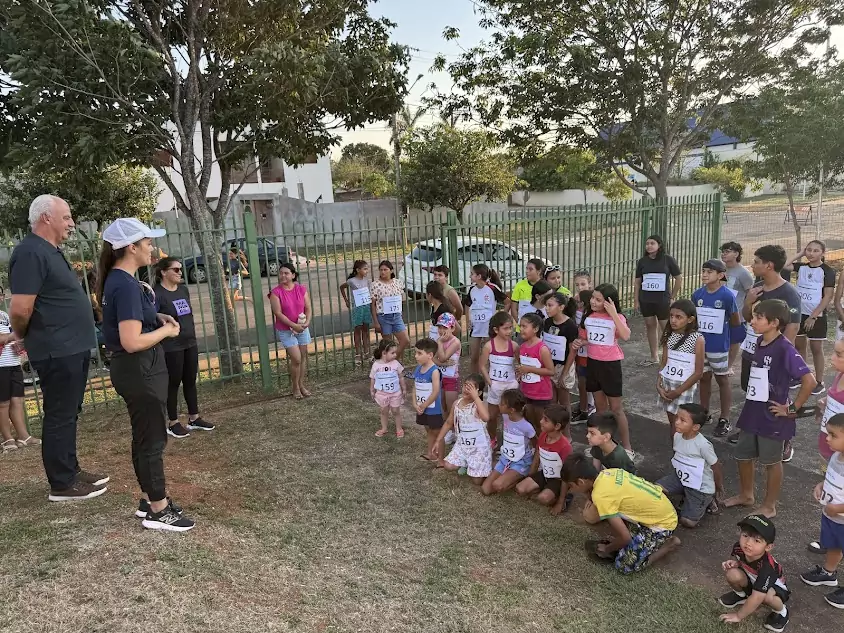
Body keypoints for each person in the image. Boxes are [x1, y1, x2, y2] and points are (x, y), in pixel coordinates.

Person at [99, 218, 195, 531]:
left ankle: (151, 498)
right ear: (132, 247)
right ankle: (159, 508)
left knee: (144, 436)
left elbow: (132, 319)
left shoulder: (121, 281)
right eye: (147, 242)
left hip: (137, 369)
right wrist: (166, 330)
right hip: (139, 368)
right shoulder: (125, 285)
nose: (151, 248)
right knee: (153, 438)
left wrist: (156, 316)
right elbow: (130, 340)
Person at [9, 195, 105, 501]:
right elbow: (21, 309)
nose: (71, 223)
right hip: (56, 348)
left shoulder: (50, 251)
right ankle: (62, 484)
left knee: (68, 412)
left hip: (71, 347)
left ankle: (71, 470)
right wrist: (22, 334)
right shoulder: (29, 253)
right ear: (45, 218)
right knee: (60, 414)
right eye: (66, 217)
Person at [724, 299, 815, 518]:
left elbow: (809, 381)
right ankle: (747, 495)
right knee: (743, 455)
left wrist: (791, 408)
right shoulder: (758, 341)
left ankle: (769, 505)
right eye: (753, 316)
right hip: (752, 411)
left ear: (774, 323)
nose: (752, 321)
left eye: (758, 318)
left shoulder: (785, 348)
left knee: (771, 462)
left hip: (773, 416)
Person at [562, 454, 680, 574]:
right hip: (662, 508)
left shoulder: (601, 496)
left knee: (623, 565)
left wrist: (607, 549)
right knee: (625, 538)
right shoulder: (608, 473)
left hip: (662, 525)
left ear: (581, 482)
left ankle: (668, 546)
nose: (570, 490)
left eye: (570, 486)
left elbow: (625, 538)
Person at [736, 245, 803, 459]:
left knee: (776, 397)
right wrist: (748, 301)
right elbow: (747, 317)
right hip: (753, 350)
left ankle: (783, 439)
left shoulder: (788, 293)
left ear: (769, 265)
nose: (753, 265)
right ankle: (753, 431)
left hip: (776, 357)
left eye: (756, 262)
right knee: (752, 389)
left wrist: (783, 357)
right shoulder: (757, 288)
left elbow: (793, 327)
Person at [153, 257, 214, 439]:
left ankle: (194, 418)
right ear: (164, 272)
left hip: (189, 341)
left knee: (190, 379)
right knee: (173, 382)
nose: (180, 273)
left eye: (180, 269)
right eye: (176, 270)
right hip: (172, 345)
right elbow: (151, 315)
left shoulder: (183, 290)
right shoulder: (157, 293)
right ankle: (172, 422)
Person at [572, 283, 633, 456]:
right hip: (593, 363)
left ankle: (627, 447)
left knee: (616, 409)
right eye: (593, 298)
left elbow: (626, 335)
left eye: (598, 300)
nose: (593, 302)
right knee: (600, 408)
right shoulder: (588, 317)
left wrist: (613, 313)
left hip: (610, 366)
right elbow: (586, 338)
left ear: (608, 302)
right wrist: (581, 342)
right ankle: (602, 444)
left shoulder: (617, 317)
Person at [799, 412, 844, 609]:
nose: (827, 438)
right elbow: (832, 478)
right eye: (828, 433)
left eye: (834, 435)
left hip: (839, 515)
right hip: (831, 515)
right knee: (833, 545)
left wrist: (839, 508)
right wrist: (821, 485)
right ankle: (828, 573)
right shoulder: (836, 456)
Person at [691, 259, 740, 436]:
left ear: (720, 275)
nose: (704, 274)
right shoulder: (697, 295)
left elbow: (735, 320)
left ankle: (725, 418)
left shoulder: (727, 296)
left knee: (722, 380)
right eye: (703, 271)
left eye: (709, 272)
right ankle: (705, 412)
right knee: (703, 378)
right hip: (701, 346)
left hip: (719, 347)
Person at [656, 403, 724, 528]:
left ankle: (707, 500)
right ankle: (686, 495)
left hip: (700, 487)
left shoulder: (703, 445)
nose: (677, 422)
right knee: (655, 489)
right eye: (677, 418)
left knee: (687, 522)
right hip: (682, 478)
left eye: (683, 420)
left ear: (695, 427)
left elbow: (716, 465)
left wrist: (717, 486)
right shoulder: (677, 436)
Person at [718, 515, 790, 632]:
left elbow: (758, 596)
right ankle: (741, 595)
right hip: (754, 580)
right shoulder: (738, 547)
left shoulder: (767, 567)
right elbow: (742, 561)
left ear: (768, 547)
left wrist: (738, 616)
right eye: (745, 536)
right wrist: (736, 564)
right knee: (732, 573)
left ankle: (781, 612)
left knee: (766, 596)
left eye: (757, 540)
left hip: (774, 588)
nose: (748, 543)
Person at [783, 240, 836, 396]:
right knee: (799, 346)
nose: (811, 253)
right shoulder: (801, 267)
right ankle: (802, 376)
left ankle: (819, 382)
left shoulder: (827, 271)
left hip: (816, 315)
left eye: (815, 251)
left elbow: (827, 297)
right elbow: (784, 265)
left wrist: (813, 316)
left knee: (816, 348)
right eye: (809, 250)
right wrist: (800, 254)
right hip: (799, 312)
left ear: (822, 253)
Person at [810, 339, 844, 554]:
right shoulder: (839, 376)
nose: (832, 358)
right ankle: (830, 538)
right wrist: (825, 402)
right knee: (829, 488)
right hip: (829, 449)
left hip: (839, 452)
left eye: (839, 354)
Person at [0, 290, 40, 452]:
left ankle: (23, 436)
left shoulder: (3, 314)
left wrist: (18, 343)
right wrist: (11, 337)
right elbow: (6, 336)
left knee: (17, 401)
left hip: (13, 362)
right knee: (3, 404)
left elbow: (10, 334)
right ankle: (7, 439)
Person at [657, 299, 704, 435]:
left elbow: (698, 372)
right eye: (671, 316)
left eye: (679, 317)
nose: (673, 320)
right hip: (668, 384)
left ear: (690, 319)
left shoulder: (697, 339)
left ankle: (681, 452)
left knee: (681, 424)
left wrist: (678, 391)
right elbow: (664, 362)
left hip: (684, 387)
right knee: (673, 422)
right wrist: (658, 384)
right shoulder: (669, 335)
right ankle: (675, 451)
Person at [515, 404, 572, 515]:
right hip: (544, 474)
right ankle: (544, 489)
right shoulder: (543, 435)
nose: (541, 422)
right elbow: (537, 457)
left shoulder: (565, 447)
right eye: (542, 418)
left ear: (557, 426)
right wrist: (529, 477)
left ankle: (565, 498)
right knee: (520, 489)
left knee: (543, 499)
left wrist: (560, 503)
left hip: (558, 480)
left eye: (546, 420)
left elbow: (567, 475)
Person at [634, 235, 683, 365]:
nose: (649, 246)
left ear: (659, 245)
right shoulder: (642, 261)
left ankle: (672, 357)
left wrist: (672, 296)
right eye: (647, 243)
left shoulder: (668, 260)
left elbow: (678, 278)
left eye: (652, 243)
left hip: (662, 300)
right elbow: (638, 282)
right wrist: (636, 301)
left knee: (667, 328)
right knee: (650, 325)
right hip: (646, 300)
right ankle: (654, 356)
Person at [434, 374, 492, 482]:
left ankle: (475, 464)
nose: (466, 389)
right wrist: (438, 440)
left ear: (478, 392)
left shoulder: (479, 405)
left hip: (478, 447)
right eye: (465, 385)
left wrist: (476, 397)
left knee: (477, 481)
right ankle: (466, 463)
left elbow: (486, 417)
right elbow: (448, 423)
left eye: (471, 388)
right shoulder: (457, 404)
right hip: (463, 445)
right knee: (448, 466)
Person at [269, 263, 313, 400]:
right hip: (286, 330)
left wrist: (306, 323)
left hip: (302, 327)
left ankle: (301, 385)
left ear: (293, 275)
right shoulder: (276, 293)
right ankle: (295, 387)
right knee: (297, 358)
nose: (283, 275)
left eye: (286, 273)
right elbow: (278, 313)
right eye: (281, 273)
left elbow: (308, 308)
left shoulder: (301, 289)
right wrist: (293, 325)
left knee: (303, 357)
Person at [482, 388, 536, 495]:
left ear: (511, 409)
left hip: (520, 462)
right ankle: (507, 476)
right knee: (486, 489)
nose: (499, 405)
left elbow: (536, 443)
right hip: (505, 459)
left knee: (497, 485)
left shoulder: (526, 427)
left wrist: (533, 465)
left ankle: (519, 477)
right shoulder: (505, 416)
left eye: (502, 404)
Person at [479, 311, 520, 445]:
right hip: (495, 385)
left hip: (510, 385)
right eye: (506, 328)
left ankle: (511, 439)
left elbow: (520, 365)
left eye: (511, 328)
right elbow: (482, 365)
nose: (509, 331)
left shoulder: (514, 346)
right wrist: (490, 383)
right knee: (492, 416)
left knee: (510, 415)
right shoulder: (489, 346)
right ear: (496, 329)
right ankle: (492, 439)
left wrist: (516, 380)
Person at [463, 264, 504, 374]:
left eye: (472, 274)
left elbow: (507, 302)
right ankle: (474, 380)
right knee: (474, 357)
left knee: (490, 357)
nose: (470, 276)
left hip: (488, 327)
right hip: (476, 327)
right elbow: (467, 304)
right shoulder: (472, 289)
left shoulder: (492, 288)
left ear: (479, 276)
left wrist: (500, 318)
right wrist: (468, 320)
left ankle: (491, 380)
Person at [516, 312, 555, 425]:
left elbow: (550, 371)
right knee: (529, 421)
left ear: (535, 329)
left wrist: (529, 369)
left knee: (540, 424)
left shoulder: (542, 349)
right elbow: (523, 367)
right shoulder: (522, 347)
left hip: (541, 393)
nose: (521, 329)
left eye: (525, 326)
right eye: (520, 326)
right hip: (526, 391)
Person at [543, 292, 579, 415]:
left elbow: (572, 352)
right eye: (546, 305)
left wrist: (564, 374)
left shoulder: (570, 326)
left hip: (564, 366)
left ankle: (566, 432)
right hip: (550, 366)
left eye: (550, 305)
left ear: (561, 307)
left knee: (564, 402)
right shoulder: (547, 322)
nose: (547, 308)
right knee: (551, 402)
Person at [722, 242, 754, 371]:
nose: (724, 254)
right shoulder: (721, 269)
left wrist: (746, 310)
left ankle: (728, 366)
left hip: (736, 314)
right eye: (723, 251)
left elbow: (750, 293)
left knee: (734, 342)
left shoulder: (743, 273)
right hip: (719, 312)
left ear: (736, 254)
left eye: (727, 251)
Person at [371, 260, 410, 360]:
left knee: (405, 340)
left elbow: (401, 298)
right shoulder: (375, 285)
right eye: (381, 270)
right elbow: (373, 304)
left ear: (391, 271)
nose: (383, 272)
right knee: (388, 344)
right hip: (384, 317)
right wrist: (376, 322)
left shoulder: (398, 283)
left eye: (385, 269)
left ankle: (394, 360)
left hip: (396, 316)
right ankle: (388, 363)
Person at [413, 338, 444, 463]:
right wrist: (415, 404)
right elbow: (414, 388)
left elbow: (435, 391)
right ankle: (431, 453)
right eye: (415, 352)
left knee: (437, 432)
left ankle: (441, 459)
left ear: (430, 355)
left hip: (432, 409)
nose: (416, 356)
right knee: (428, 429)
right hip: (422, 408)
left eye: (419, 353)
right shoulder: (418, 369)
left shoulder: (434, 371)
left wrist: (424, 405)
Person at [567, 288, 595, 423]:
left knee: (584, 383)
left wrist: (582, 341)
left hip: (588, 355)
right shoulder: (578, 313)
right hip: (579, 353)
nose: (575, 302)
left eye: (578, 301)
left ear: (583, 304)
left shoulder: (591, 317)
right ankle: (584, 407)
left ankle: (586, 410)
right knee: (581, 383)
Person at [369, 338, 406, 438]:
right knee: (383, 411)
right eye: (392, 353)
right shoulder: (376, 365)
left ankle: (399, 428)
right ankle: (384, 428)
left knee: (395, 411)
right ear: (384, 353)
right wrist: (372, 390)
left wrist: (404, 388)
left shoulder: (396, 364)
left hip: (395, 393)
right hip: (382, 393)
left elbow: (401, 376)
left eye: (395, 352)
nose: (395, 355)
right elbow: (372, 378)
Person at [340, 259, 373, 365]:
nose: (367, 271)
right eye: (365, 269)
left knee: (366, 330)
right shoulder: (351, 281)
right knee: (357, 330)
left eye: (367, 269)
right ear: (358, 270)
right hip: (357, 308)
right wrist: (346, 300)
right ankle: (358, 354)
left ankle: (367, 351)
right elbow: (342, 287)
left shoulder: (367, 281)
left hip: (366, 307)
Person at [434, 313, 462, 420]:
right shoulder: (439, 340)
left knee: (451, 407)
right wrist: (442, 363)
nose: (441, 331)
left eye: (444, 327)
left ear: (452, 328)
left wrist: (440, 343)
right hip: (440, 377)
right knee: (443, 405)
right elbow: (433, 358)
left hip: (451, 378)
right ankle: (447, 429)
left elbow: (443, 357)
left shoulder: (455, 342)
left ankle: (454, 429)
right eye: (439, 327)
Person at [510, 258, 547, 334]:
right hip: (522, 331)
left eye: (530, 269)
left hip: (540, 331)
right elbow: (514, 308)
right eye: (526, 268)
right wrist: (521, 324)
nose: (527, 271)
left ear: (539, 271)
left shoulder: (546, 286)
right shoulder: (519, 285)